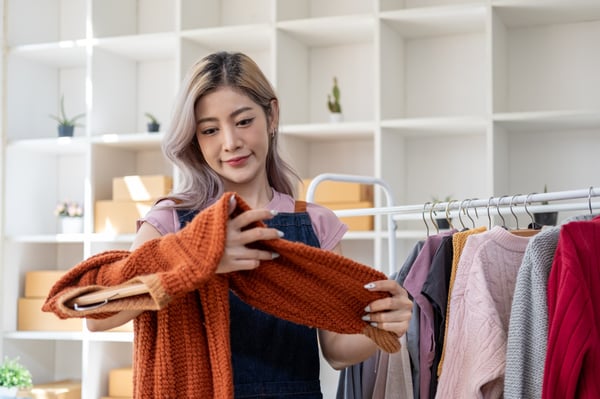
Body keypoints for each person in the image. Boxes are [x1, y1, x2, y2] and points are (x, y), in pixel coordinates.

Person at [85, 51, 412, 397]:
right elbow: (98, 315)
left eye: (243, 121)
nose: (230, 143)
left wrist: (384, 325)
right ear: (195, 139)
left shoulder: (316, 224)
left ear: (272, 115)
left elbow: (335, 350)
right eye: (210, 130)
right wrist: (201, 260)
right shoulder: (169, 221)